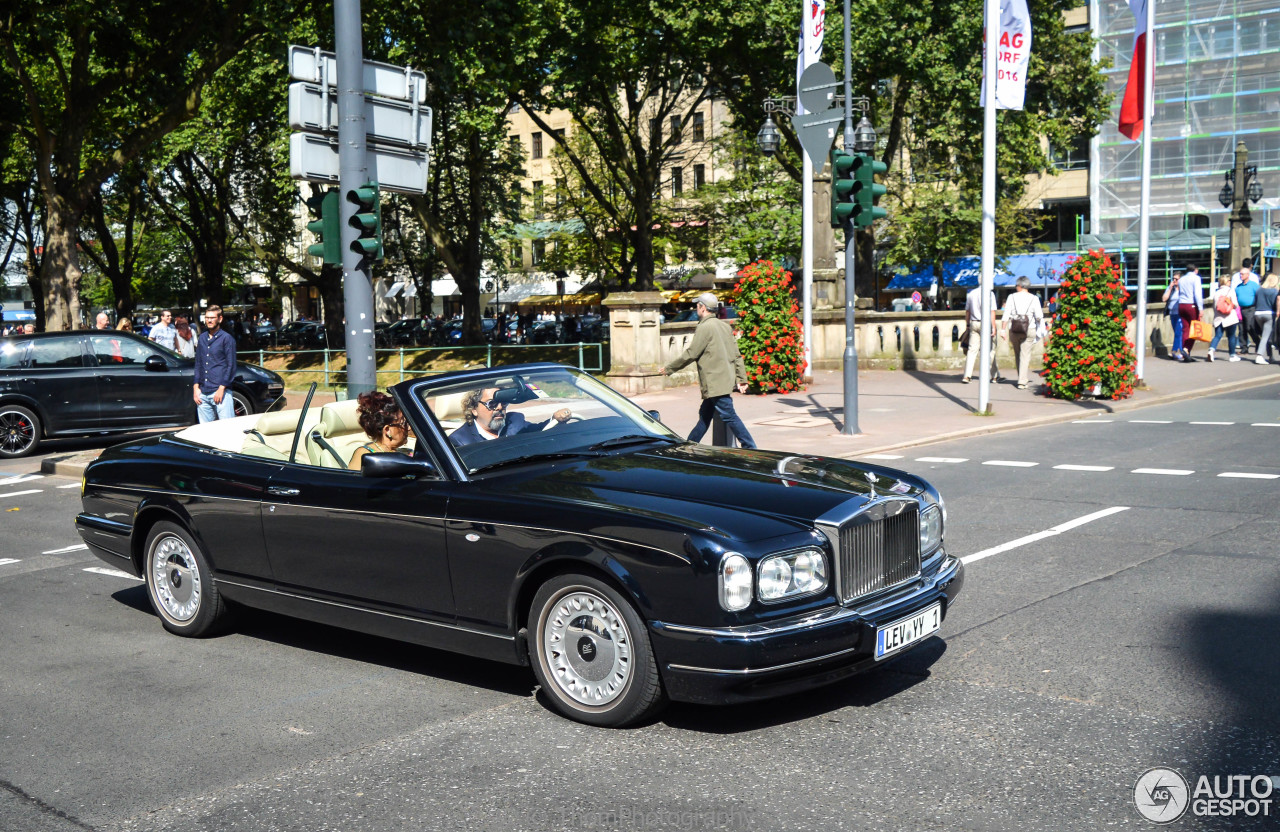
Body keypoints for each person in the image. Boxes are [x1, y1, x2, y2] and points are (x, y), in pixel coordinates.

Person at [659, 292, 755, 448]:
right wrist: (742, 379)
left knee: (729, 416)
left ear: (702, 308)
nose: (696, 308)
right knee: (705, 417)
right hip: (723, 380)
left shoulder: (705, 327)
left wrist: (669, 369)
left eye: (697, 305)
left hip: (714, 382)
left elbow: (691, 353)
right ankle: (688, 446)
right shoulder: (724, 326)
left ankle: (750, 447)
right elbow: (737, 355)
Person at [450, 386, 572, 446]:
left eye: (503, 402)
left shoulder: (515, 421)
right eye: (491, 404)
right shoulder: (460, 440)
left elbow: (540, 431)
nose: (499, 407)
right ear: (474, 409)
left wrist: (555, 419)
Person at [348, 391, 415, 470]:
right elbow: (355, 481)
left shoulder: (406, 453)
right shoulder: (365, 455)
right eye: (404, 423)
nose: (409, 428)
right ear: (388, 430)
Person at [193, 305, 237, 422]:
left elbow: (231, 366)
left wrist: (222, 388)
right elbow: (198, 363)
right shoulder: (202, 338)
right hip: (203, 392)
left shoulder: (227, 339)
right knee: (205, 432)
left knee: (227, 428)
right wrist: (196, 387)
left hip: (220, 391)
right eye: (207, 317)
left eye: (212, 318)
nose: (209, 320)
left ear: (220, 319)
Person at [999, 276, 1044, 390]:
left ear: (1020, 286)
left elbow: (1006, 315)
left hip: (1014, 329)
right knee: (1025, 354)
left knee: (1018, 354)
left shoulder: (1011, 297)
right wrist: (1041, 328)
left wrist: (1003, 330)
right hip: (1029, 328)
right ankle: (1022, 381)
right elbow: (1039, 316)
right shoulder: (1034, 298)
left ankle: (1021, 378)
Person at [962, 283, 999, 384]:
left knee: (972, 350)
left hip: (974, 322)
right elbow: (992, 312)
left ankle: (967, 375)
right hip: (986, 323)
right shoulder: (990, 294)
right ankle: (993, 375)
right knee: (990, 349)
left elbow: (968, 311)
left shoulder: (971, 294)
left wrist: (967, 325)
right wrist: (994, 327)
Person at [1208, 274, 1241, 362]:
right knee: (1231, 336)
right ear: (1227, 282)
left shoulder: (1216, 293)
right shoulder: (1231, 291)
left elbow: (1214, 307)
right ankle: (1232, 355)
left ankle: (1211, 350)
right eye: (1229, 280)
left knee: (1218, 336)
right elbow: (1235, 304)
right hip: (1230, 318)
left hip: (1219, 318)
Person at [1176, 264, 1204, 361]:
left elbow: (1179, 293)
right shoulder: (1196, 278)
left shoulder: (1182, 279)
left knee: (1185, 329)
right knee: (1194, 329)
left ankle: (1185, 352)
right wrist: (1200, 308)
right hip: (1191, 305)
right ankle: (1186, 349)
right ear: (1195, 270)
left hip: (1181, 305)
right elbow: (1197, 294)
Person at [1232, 258, 1259, 354]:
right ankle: (1244, 348)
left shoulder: (1254, 285)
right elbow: (1234, 295)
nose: (1240, 276)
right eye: (1240, 274)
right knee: (1242, 329)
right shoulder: (1238, 286)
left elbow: (1258, 295)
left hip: (1251, 308)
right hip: (1240, 309)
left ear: (1248, 275)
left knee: (1250, 327)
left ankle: (1257, 343)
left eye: (1242, 274)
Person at [1253, 274, 1278, 365]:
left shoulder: (1259, 290)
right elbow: (1275, 304)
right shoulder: (1274, 291)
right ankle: (1259, 356)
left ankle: (1271, 357)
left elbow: (1255, 301)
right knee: (1266, 336)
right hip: (1269, 314)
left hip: (1258, 313)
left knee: (1265, 335)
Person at [1161, 270, 1184, 360]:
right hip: (1172, 313)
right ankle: (1183, 351)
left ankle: (1174, 351)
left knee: (1178, 332)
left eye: (1176, 279)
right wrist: (1170, 288)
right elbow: (1164, 299)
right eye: (1173, 279)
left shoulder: (1183, 288)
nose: (1174, 281)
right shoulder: (1171, 288)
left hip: (1180, 313)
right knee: (1178, 333)